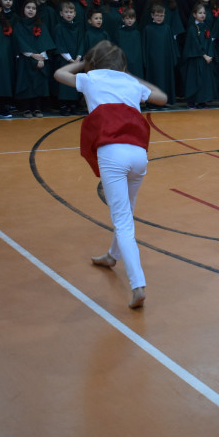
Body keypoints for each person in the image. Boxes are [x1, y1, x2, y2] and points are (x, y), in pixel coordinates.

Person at [54, 41, 168, 309]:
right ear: (122, 65)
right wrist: (130, 78)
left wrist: (82, 63)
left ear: (93, 63)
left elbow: (59, 74)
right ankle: (111, 256)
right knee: (127, 210)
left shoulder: (90, 77)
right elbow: (161, 97)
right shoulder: (130, 83)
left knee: (123, 221)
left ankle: (138, 284)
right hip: (139, 153)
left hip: (112, 152)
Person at [13, 0, 55, 118]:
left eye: (33, 8)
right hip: (25, 60)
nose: (31, 10)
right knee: (26, 83)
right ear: (23, 9)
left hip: (39, 61)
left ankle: (37, 107)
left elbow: (45, 42)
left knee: (39, 83)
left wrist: (41, 58)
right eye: (28, 8)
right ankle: (25, 108)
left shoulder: (40, 25)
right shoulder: (19, 24)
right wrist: (32, 55)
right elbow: (20, 41)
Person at [182, 3, 217, 109]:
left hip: (206, 59)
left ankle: (202, 101)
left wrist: (210, 55)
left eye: (204, 13)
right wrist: (203, 55)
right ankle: (192, 101)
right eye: (200, 13)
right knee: (195, 80)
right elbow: (194, 43)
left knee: (204, 81)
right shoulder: (193, 28)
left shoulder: (206, 27)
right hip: (196, 59)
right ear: (194, 15)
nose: (202, 15)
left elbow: (210, 42)